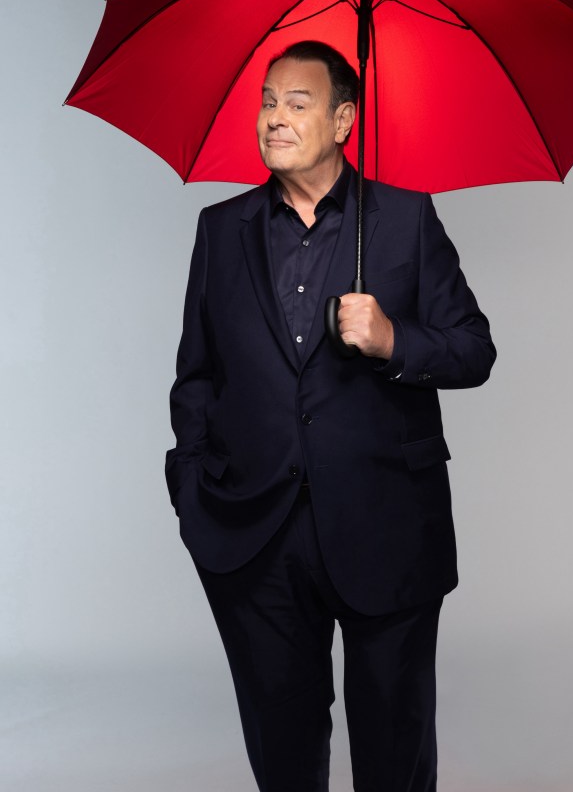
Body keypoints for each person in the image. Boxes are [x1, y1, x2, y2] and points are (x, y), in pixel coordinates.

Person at [165, 40, 496, 792]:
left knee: (394, 755)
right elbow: (196, 374)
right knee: (282, 753)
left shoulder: (405, 221)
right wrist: (191, 486)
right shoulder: (220, 229)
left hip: (388, 526)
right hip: (255, 535)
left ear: (344, 120)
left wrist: (393, 340)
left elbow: (474, 350)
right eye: (267, 102)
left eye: (297, 103)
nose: (273, 119)